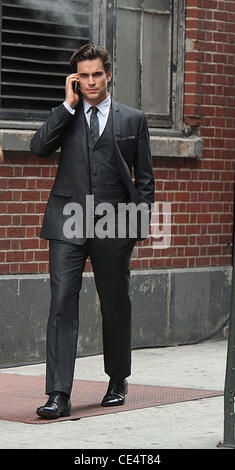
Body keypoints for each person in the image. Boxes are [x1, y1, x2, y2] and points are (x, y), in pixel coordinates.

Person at [30, 43, 155, 419]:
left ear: (109, 74)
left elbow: (145, 180)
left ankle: (117, 379)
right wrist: (66, 106)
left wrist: (137, 227)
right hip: (67, 220)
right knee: (62, 303)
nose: (90, 82)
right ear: (75, 80)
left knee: (115, 302)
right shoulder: (66, 115)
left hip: (114, 222)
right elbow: (38, 148)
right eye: (82, 76)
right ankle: (58, 393)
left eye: (96, 74)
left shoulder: (132, 119)